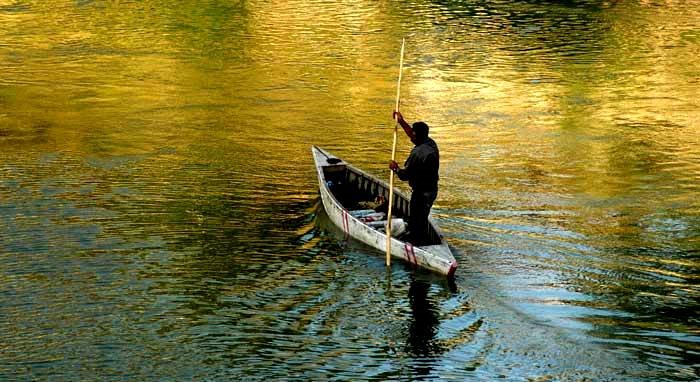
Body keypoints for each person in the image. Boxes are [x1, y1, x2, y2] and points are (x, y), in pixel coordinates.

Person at [389, 111, 439, 246]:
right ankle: (418, 239)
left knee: (417, 222)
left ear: (417, 135)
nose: (411, 135)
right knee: (420, 219)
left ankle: (417, 245)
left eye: (414, 133)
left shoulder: (418, 154)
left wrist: (395, 168)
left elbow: (405, 176)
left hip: (422, 194)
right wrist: (401, 121)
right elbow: (411, 134)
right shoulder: (430, 143)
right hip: (432, 190)